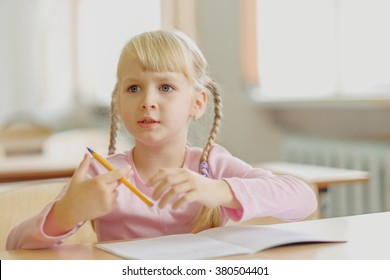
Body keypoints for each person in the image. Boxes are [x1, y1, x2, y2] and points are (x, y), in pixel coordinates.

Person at [7, 30, 317, 249]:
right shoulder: (100, 175)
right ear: (118, 102)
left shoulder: (212, 166)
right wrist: (67, 213)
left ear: (197, 103)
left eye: (166, 87)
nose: (147, 100)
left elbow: (303, 199)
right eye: (133, 88)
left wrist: (219, 190)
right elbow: (15, 246)